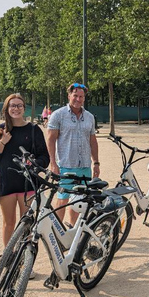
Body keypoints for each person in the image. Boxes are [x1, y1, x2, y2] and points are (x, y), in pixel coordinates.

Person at [0, 93, 49, 248]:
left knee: (27, 224)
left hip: (27, 183)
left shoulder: (34, 130)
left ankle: (25, 262)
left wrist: (33, 163)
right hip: (6, 182)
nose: (16, 108)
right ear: (7, 109)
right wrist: (2, 143)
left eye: (19, 105)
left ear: (24, 108)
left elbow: (45, 158)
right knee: (9, 223)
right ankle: (8, 259)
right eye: (12, 105)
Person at [47, 83, 99, 225]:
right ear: (69, 95)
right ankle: (57, 231)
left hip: (84, 166)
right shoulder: (58, 115)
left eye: (81, 96)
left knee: (79, 200)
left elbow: (92, 141)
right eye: (75, 95)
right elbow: (51, 140)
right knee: (62, 199)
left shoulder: (89, 117)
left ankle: (72, 228)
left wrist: (96, 162)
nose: (78, 99)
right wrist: (53, 163)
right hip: (65, 165)